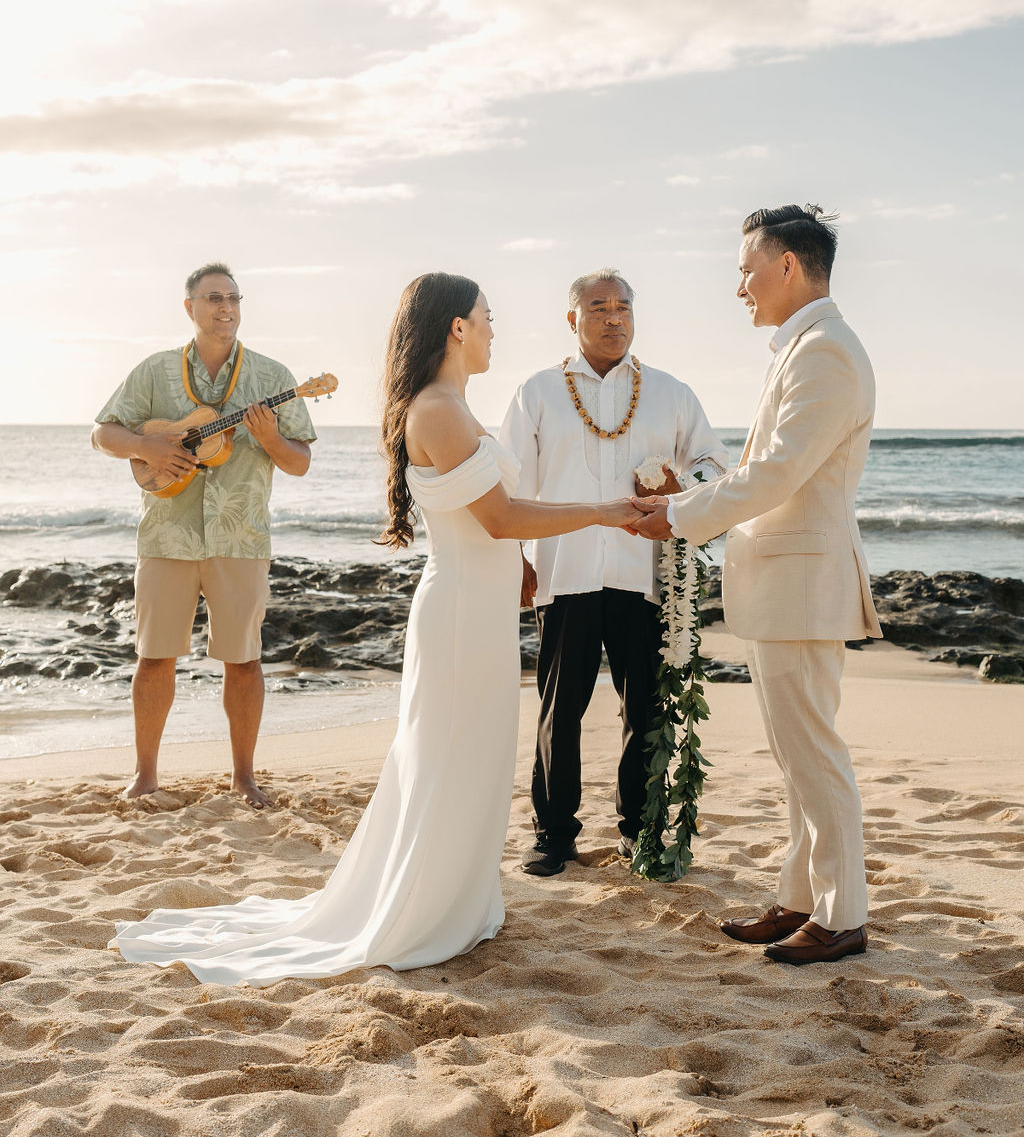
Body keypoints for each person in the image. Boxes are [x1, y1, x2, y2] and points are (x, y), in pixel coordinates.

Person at [111, 272, 638, 985]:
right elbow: (501, 515)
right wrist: (604, 511)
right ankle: (428, 907)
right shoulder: (440, 410)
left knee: (471, 755)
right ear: (456, 327)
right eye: (485, 318)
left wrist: (515, 566)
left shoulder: (453, 404)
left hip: (477, 603)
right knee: (450, 756)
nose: (492, 330)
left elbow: (490, 514)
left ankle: (456, 896)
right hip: (457, 614)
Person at [631, 206, 880, 966]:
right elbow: (759, 470)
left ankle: (842, 915)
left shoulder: (826, 352)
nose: (739, 286)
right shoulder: (803, 348)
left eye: (746, 269)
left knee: (814, 753)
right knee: (796, 754)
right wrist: (689, 498)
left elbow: (778, 475)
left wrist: (678, 517)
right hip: (785, 581)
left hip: (802, 581)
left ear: (787, 267)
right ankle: (803, 897)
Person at [500, 269, 727, 878]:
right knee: (559, 707)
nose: (613, 317)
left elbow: (714, 465)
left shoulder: (670, 392)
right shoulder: (538, 391)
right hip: (564, 569)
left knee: (645, 708)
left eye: (622, 306)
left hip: (644, 573)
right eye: (597, 307)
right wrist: (516, 556)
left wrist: (684, 491)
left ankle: (641, 829)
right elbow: (509, 482)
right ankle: (553, 834)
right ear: (571, 319)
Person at [92, 262, 315, 809]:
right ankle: (145, 775)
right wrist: (148, 448)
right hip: (166, 535)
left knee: (244, 659)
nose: (227, 307)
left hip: (241, 537)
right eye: (214, 297)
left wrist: (268, 437)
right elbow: (103, 432)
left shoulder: (271, 376)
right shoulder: (154, 372)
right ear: (188, 306)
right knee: (154, 657)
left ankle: (244, 777)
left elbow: (301, 461)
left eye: (235, 298)